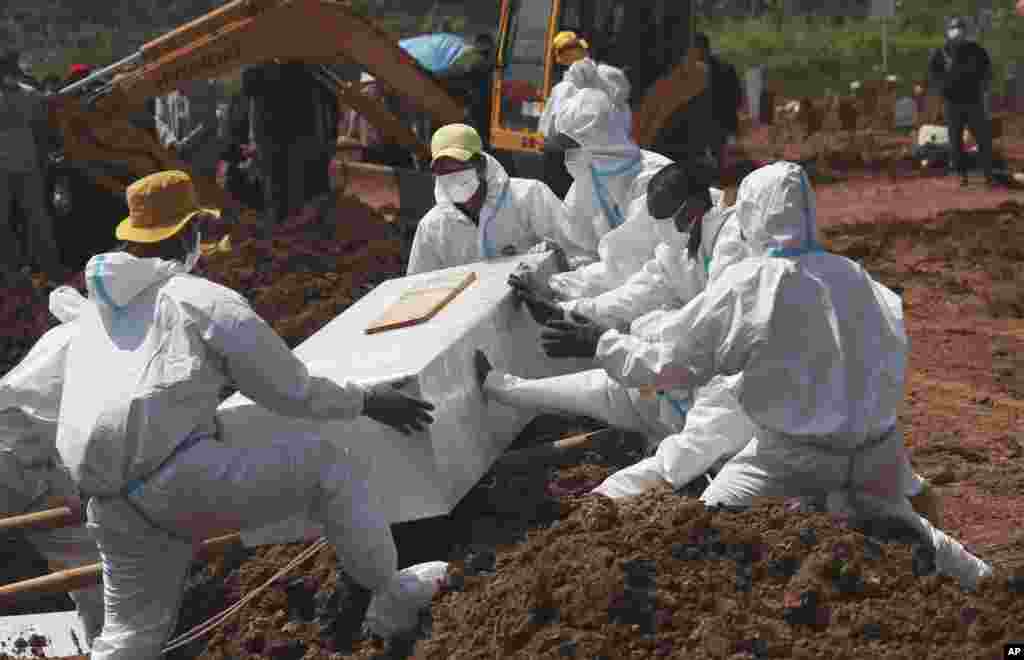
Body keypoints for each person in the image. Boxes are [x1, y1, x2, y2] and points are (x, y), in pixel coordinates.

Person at [538, 161, 983, 588]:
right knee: (896, 516)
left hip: (792, 458)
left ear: (750, 215)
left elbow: (674, 367)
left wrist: (601, 343)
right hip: (877, 450)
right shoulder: (860, 278)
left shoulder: (753, 282)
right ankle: (982, 581)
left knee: (705, 521)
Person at [54, 170, 437, 659]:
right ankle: (394, 598)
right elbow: (288, 388)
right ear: (189, 233)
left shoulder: (96, 315)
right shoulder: (198, 299)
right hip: (178, 479)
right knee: (328, 468)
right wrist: (367, 400)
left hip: (111, 503)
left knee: (130, 637)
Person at [1, 286, 103, 645]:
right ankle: (110, 645)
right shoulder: (103, 351)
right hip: (21, 463)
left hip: (20, 450)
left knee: (86, 557)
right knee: (94, 565)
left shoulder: (65, 333)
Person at [406, 123, 574, 275]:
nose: (451, 176)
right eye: (443, 171)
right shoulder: (432, 227)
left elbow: (576, 252)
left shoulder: (529, 196)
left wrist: (551, 256)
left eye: (458, 166)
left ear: (480, 164)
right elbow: (417, 287)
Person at [243, 61, 337, 230]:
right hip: (282, 142)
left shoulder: (307, 66)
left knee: (299, 202)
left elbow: (328, 107)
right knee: (284, 201)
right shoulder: (262, 68)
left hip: (299, 141)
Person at [0, 49, 60, 278]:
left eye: (13, 72)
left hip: (28, 168)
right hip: (5, 172)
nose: (11, 77)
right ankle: (10, 273)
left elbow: (45, 118)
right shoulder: (28, 95)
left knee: (38, 220)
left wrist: (44, 155)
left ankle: (49, 267)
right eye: (7, 73)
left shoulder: (30, 95)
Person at [928, 16, 994, 186]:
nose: (956, 31)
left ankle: (988, 173)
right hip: (952, 103)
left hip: (974, 101)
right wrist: (942, 90)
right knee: (955, 141)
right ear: (948, 31)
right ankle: (961, 175)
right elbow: (933, 74)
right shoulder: (941, 52)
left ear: (965, 31)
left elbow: (987, 71)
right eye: (953, 28)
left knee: (983, 138)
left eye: (959, 28)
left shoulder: (976, 50)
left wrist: (985, 89)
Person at [693, 33, 742, 173]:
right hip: (699, 122)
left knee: (719, 154)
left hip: (719, 121)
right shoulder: (687, 72)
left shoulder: (724, 69)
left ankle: (719, 177)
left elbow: (736, 96)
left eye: (698, 48)